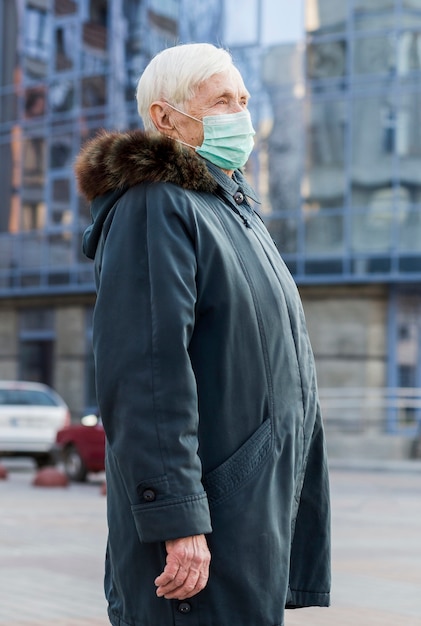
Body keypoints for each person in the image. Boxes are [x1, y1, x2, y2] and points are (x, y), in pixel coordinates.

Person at [75, 43, 331, 626]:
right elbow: (147, 374)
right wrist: (177, 518)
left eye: (242, 99)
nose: (239, 113)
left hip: (248, 519)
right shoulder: (155, 206)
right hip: (202, 531)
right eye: (221, 100)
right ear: (165, 118)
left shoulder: (233, 210)